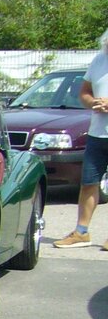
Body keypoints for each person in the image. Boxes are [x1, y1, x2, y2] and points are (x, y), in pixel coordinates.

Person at [53, 27, 108, 250]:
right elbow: (84, 92)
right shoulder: (99, 60)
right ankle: (81, 232)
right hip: (97, 134)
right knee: (88, 183)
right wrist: (92, 102)